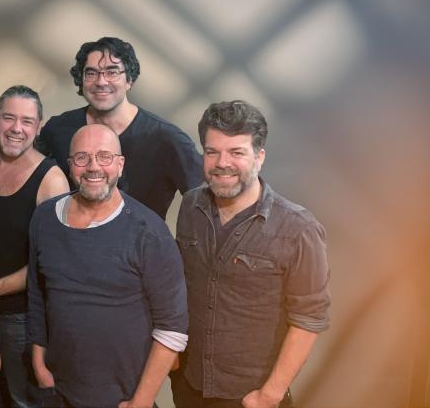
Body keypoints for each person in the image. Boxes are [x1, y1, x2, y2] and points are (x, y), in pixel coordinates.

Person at [173, 101, 331, 408]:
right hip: (190, 386)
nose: (222, 163)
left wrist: (269, 395)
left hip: (251, 397)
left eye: (236, 152)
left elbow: (309, 319)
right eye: (212, 152)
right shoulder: (191, 206)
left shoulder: (299, 228)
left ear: (259, 157)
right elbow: (181, 286)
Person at [27, 124, 188, 408]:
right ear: (70, 165)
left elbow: (172, 328)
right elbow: (38, 294)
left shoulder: (149, 233)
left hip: (123, 399)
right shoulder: (45, 218)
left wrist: (141, 402)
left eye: (105, 157)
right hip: (57, 392)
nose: (93, 167)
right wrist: (40, 364)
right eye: (82, 157)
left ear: (120, 165)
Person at [0, 86, 69, 408]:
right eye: (9, 117)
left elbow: (50, 261)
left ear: (39, 126)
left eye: (27, 121)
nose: (16, 128)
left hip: (18, 315)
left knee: (22, 399)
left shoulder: (51, 180)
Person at [37, 36, 203, 220]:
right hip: (67, 236)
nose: (101, 82)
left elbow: (208, 204)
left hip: (142, 238)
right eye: (91, 73)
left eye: (112, 72)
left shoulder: (166, 138)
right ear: (81, 80)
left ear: (129, 79)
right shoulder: (58, 129)